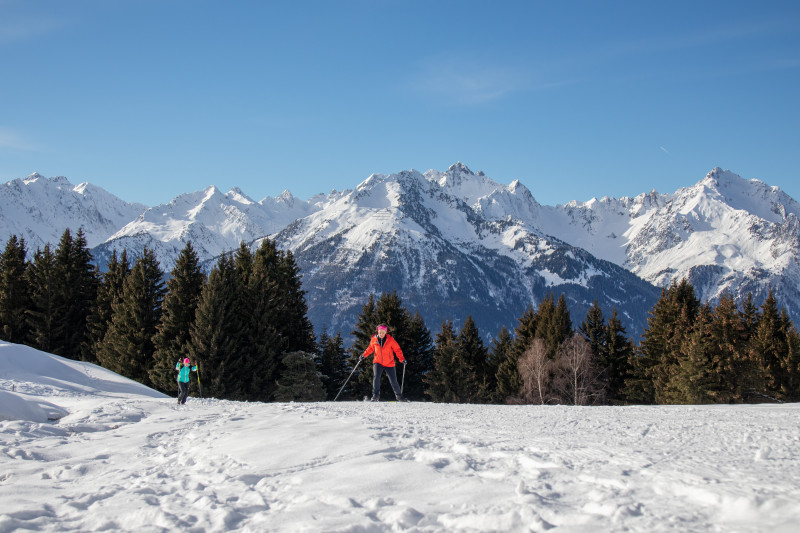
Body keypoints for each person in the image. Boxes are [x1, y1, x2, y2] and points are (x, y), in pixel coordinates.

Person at [361, 324, 408, 402]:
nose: (381, 334)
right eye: (380, 332)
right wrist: (363, 355)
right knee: (376, 378)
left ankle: (400, 397)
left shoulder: (391, 340)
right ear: (378, 332)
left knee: (393, 381)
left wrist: (402, 359)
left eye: (383, 332)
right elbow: (370, 348)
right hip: (378, 362)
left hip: (389, 363)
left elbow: (397, 350)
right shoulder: (374, 339)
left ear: (386, 332)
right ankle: (375, 397)